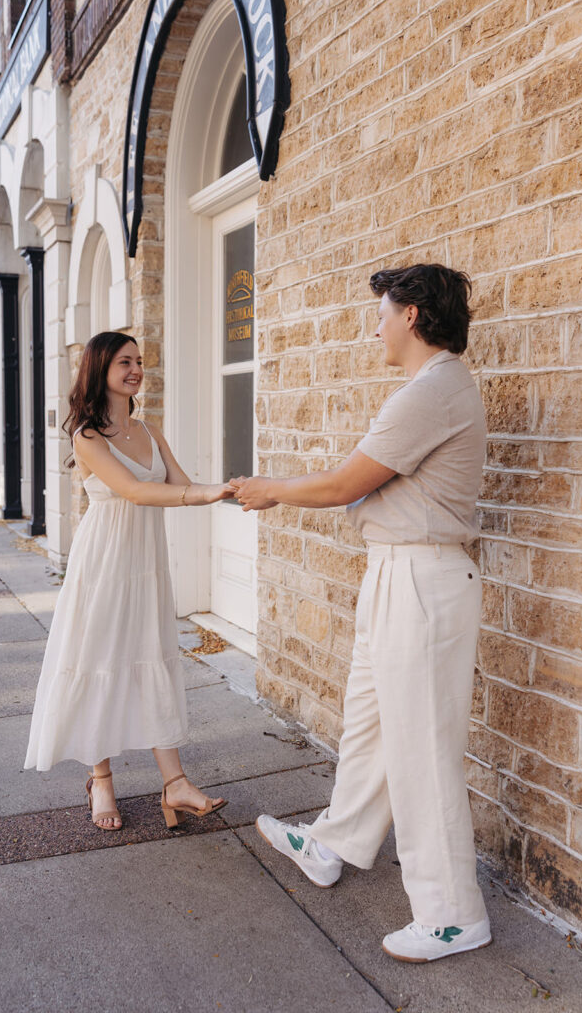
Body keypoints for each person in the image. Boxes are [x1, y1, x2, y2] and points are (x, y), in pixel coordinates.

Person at [232, 264, 491, 963]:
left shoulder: (432, 391)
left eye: (380, 313)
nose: (372, 327)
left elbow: (349, 481)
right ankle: (331, 843)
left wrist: (269, 490)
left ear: (410, 315)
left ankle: (451, 916)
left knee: (421, 753)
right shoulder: (424, 389)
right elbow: (366, 485)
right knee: (373, 724)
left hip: (421, 577)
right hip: (398, 572)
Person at [25, 331, 233, 831]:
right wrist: (202, 496)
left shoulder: (149, 430)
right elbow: (136, 491)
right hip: (105, 563)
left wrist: (230, 490)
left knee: (151, 655)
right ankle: (101, 780)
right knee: (100, 659)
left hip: (145, 562)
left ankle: (175, 783)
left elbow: (179, 484)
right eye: (125, 362)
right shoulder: (88, 437)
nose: (137, 369)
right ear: (101, 370)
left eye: (139, 361)